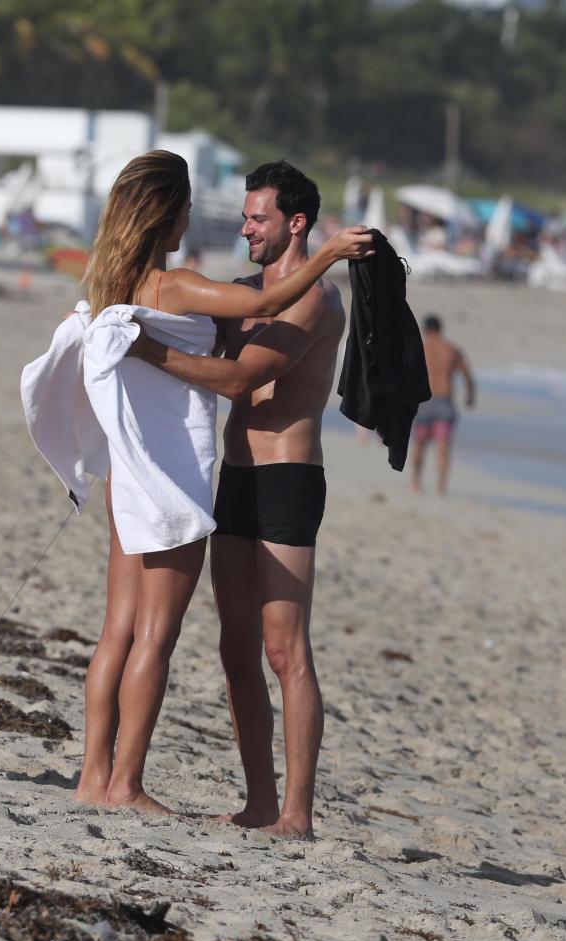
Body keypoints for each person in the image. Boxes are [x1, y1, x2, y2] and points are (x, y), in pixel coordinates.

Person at [73, 151, 374, 815]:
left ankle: (294, 812)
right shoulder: (233, 290)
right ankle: (259, 803)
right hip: (233, 477)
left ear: (297, 224)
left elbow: (241, 380)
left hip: (287, 479)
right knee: (233, 643)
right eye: (243, 217)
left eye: (257, 218)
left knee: (283, 647)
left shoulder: (315, 300)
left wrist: (146, 346)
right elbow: (201, 319)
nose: (245, 228)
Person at [410, 315, 475, 495]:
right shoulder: (452, 350)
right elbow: (467, 376)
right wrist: (470, 396)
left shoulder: (420, 349)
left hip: (424, 401)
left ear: (425, 329)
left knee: (419, 444)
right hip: (445, 402)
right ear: (440, 329)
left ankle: (415, 483)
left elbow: (408, 377)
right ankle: (441, 487)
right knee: (443, 446)